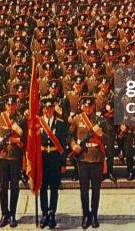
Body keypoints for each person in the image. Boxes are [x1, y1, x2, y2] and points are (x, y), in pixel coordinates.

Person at [0, 93, 27, 228]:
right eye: (9, 105)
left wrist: (17, 141)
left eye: (13, 105)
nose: (11, 107)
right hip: (2, 156)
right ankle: (4, 214)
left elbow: (25, 139)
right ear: (6, 105)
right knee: (3, 187)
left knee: (15, 187)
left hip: (15, 157)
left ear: (17, 105)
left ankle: (13, 215)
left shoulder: (21, 120)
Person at [69, 95, 107, 229]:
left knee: (96, 189)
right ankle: (85, 215)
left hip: (96, 157)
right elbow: (69, 136)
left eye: (90, 106)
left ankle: (94, 215)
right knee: (84, 189)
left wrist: (101, 133)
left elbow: (109, 137)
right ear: (82, 106)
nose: (88, 108)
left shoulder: (100, 120)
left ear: (94, 106)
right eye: (86, 106)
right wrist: (73, 145)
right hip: (83, 157)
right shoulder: (77, 119)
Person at [38, 94, 68, 229]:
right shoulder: (38, 123)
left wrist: (63, 163)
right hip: (42, 158)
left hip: (55, 158)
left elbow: (63, 145)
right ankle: (44, 213)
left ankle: (52, 214)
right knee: (43, 187)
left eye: (50, 107)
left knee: (54, 188)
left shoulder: (60, 124)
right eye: (46, 107)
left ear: (53, 108)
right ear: (43, 109)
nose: (48, 110)